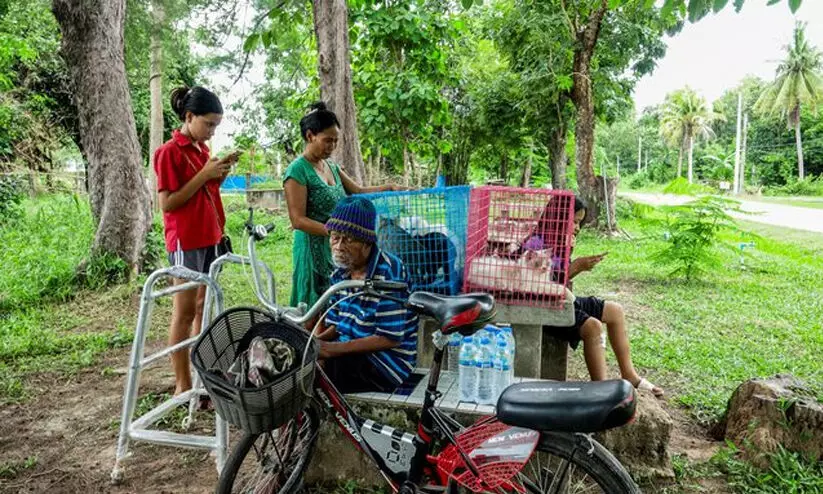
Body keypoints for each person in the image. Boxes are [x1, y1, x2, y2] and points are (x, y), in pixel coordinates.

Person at [518, 197, 664, 397]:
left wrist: (572, 256)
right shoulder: (535, 243)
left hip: (560, 299)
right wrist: (576, 266)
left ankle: (630, 375)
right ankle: (600, 390)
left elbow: (560, 279)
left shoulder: (561, 242)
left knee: (615, 311)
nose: (577, 228)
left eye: (580, 223)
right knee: (593, 327)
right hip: (541, 307)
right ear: (558, 218)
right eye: (574, 221)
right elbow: (539, 284)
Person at [154, 86, 240, 395]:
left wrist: (220, 173)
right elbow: (167, 203)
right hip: (185, 241)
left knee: (203, 308)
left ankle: (202, 375)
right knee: (185, 311)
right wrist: (204, 175)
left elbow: (207, 192)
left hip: (209, 237)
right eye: (208, 124)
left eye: (216, 125)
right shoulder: (168, 152)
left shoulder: (202, 151)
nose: (212, 131)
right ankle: (182, 383)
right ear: (189, 117)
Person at [283, 102, 403, 309]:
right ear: (310, 136)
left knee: (334, 299)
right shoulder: (297, 171)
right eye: (327, 140)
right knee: (312, 303)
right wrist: (335, 233)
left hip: (335, 244)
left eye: (335, 141)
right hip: (311, 249)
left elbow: (357, 191)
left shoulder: (331, 166)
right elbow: (298, 220)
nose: (332, 146)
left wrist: (388, 188)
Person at [312, 196, 419, 393]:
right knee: (302, 360)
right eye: (335, 237)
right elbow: (337, 324)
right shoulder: (341, 272)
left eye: (348, 239)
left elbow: (390, 338)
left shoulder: (389, 272)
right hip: (351, 350)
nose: (339, 246)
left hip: (385, 362)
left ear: (367, 243)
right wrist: (315, 344)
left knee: (320, 376)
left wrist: (329, 350)